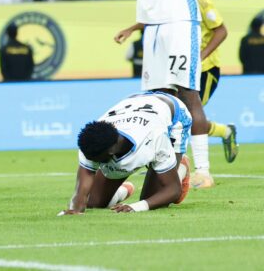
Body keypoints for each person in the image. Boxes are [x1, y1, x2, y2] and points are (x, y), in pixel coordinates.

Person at [98, 0, 211, 192]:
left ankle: (203, 170)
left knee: (188, 94)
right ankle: (168, 168)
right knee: (158, 99)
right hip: (153, 28)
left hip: (180, 23)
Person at [115, 0, 239, 185]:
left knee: (189, 115)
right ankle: (166, 165)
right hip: (175, 64)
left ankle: (203, 169)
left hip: (205, 68)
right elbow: (158, 19)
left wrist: (199, 58)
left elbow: (221, 31)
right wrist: (132, 29)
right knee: (177, 117)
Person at [63, 91, 191, 214]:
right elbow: (81, 191)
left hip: (175, 116)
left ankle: (180, 168)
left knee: (154, 199)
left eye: (98, 160)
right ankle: (123, 191)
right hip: (133, 104)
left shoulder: (155, 137)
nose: (95, 164)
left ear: (111, 150)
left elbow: (173, 190)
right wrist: (75, 209)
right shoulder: (92, 139)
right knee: (93, 201)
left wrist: (136, 207)